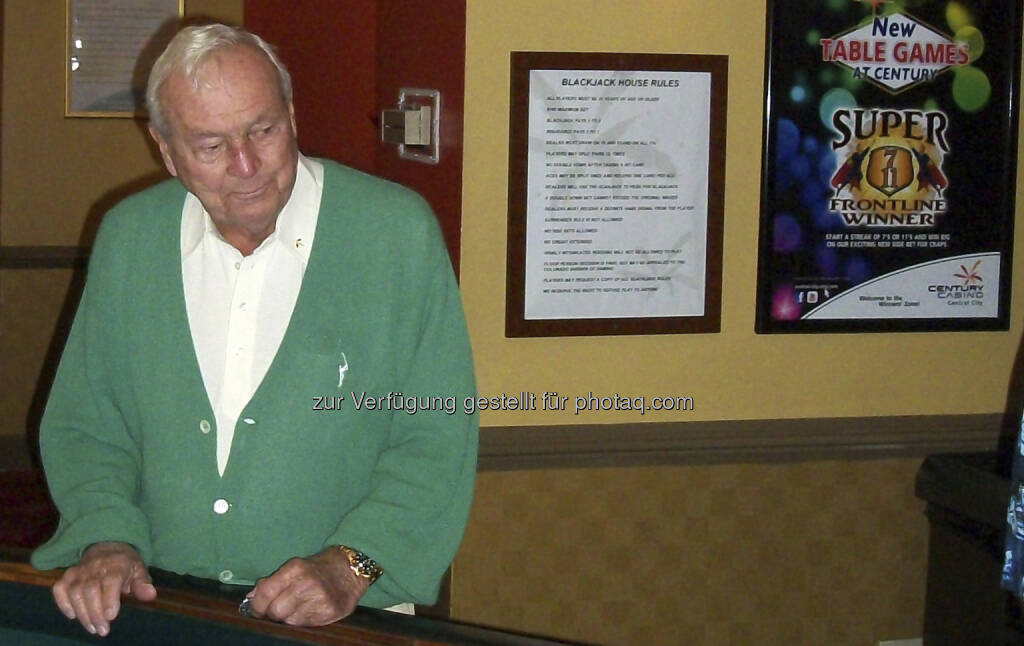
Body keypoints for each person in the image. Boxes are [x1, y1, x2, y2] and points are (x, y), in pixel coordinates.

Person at [30, 23, 477, 637]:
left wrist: (352, 564)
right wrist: (107, 537)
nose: (246, 167)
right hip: (165, 603)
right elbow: (88, 426)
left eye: (263, 131)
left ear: (292, 115)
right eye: (211, 146)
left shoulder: (395, 235)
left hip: (344, 613)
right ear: (165, 149)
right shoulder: (130, 238)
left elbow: (436, 436)